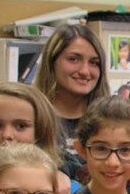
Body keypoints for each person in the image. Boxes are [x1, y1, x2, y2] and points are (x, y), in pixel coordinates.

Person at [35, 25, 110, 182]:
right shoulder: (32, 119)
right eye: (73, 59)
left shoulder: (111, 121)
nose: (84, 71)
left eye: (94, 63)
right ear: (52, 61)